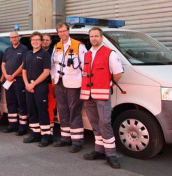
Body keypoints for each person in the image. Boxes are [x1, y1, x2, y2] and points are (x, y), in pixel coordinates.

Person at [81, 27, 123, 169]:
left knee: (105, 123)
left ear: (101, 37)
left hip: (102, 94)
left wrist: (108, 84)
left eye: (96, 36)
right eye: (91, 36)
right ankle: (99, 150)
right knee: (94, 122)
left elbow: (117, 73)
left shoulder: (110, 54)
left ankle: (111, 154)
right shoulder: (87, 54)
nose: (94, 38)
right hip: (88, 94)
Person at [50, 22, 87, 153]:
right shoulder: (57, 46)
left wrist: (84, 84)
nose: (62, 34)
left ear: (68, 31)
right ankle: (65, 138)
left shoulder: (79, 46)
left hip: (74, 84)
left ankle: (77, 141)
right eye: (59, 32)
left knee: (74, 111)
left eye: (64, 31)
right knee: (62, 111)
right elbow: (53, 65)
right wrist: (54, 80)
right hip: (59, 83)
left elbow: (85, 67)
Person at [22, 32, 52, 147]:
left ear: (40, 41)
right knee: (32, 111)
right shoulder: (27, 54)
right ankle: (35, 133)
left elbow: (46, 72)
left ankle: (46, 136)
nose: (35, 42)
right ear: (31, 42)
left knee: (42, 111)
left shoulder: (45, 54)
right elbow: (24, 71)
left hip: (40, 86)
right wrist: (26, 84)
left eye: (37, 40)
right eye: (33, 40)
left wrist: (33, 84)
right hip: (28, 86)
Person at [2, 31, 29, 135]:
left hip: (18, 79)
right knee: (10, 102)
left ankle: (22, 127)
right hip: (8, 80)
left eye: (16, 37)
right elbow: (3, 64)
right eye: (12, 37)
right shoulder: (7, 50)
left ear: (19, 38)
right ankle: (12, 125)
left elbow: (23, 65)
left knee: (21, 103)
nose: (14, 39)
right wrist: (6, 75)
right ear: (10, 39)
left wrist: (13, 75)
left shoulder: (24, 49)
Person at [42, 34, 56, 131]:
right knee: (41, 106)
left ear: (51, 41)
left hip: (50, 83)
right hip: (38, 84)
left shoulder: (55, 53)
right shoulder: (35, 52)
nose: (45, 42)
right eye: (43, 40)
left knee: (50, 106)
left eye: (47, 40)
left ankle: (50, 128)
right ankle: (41, 126)